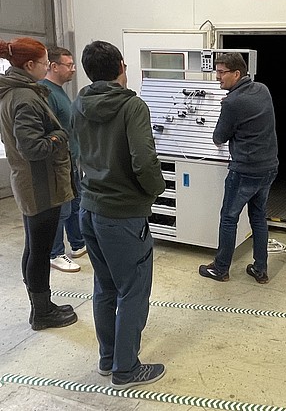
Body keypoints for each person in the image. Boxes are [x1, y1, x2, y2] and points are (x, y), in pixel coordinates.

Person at [71, 40, 166, 389]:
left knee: (104, 286)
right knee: (132, 290)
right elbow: (143, 158)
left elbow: (75, 149)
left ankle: (108, 359)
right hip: (123, 215)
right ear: (122, 67)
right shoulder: (132, 106)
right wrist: (155, 190)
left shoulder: (79, 103)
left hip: (89, 208)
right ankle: (126, 370)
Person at [0, 37, 77, 331]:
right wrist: (59, 137)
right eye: (45, 63)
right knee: (40, 250)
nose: (48, 67)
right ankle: (42, 312)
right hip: (40, 183)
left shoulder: (15, 92)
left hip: (31, 182)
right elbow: (33, 148)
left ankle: (41, 306)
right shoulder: (25, 98)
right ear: (29, 65)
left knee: (34, 247)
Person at [199, 52, 278, 284]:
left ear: (237, 73)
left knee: (228, 218)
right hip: (269, 168)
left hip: (244, 171)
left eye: (222, 72)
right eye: (217, 71)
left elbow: (218, 137)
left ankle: (221, 268)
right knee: (259, 217)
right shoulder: (263, 89)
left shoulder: (232, 102)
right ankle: (260, 270)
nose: (217, 77)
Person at [40, 46, 85, 273]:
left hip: (71, 160)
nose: (73, 69)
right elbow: (49, 132)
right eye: (69, 65)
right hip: (58, 164)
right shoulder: (45, 92)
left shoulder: (59, 90)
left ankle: (77, 244)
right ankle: (55, 253)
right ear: (53, 66)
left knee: (76, 204)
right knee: (62, 210)